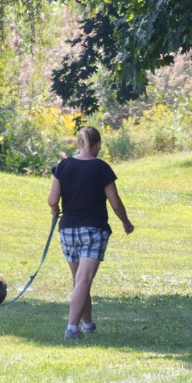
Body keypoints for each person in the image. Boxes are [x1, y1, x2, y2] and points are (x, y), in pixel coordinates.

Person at [47, 126, 134, 340]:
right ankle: (71, 328)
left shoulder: (63, 166)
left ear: (78, 143)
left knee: (79, 280)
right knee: (83, 280)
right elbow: (115, 202)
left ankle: (87, 324)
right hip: (93, 229)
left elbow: (52, 199)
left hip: (67, 228)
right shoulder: (101, 168)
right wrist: (125, 222)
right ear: (98, 145)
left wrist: (54, 210)